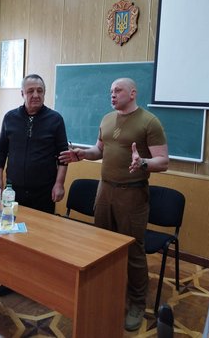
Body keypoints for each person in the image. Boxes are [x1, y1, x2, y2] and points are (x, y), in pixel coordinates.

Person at [58, 77, 169, 331]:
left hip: (133, 194)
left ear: (133, 93)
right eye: (111, 91)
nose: (112, 94)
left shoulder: (149, 121)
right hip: (105, 190)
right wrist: (83, 154)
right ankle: (106, 291)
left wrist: (143, 162)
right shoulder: (107, 119)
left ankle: (137, 303)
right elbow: (99, 150)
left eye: (118, 90)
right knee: (102, 245)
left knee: (133, 249)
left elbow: (163, 161)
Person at [0, 73, 69, 295]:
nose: (35, 95)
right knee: (12, 236)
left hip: (43, 191)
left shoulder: (55, 119)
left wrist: (59, 184)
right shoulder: (10, 117)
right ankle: (12, 280)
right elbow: (0, 150)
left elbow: (63, 156)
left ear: (44, 93)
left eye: (40, 91)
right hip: (13, 191)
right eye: (30, 91)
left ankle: (38, 283)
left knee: (40, 238)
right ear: (22, 93)